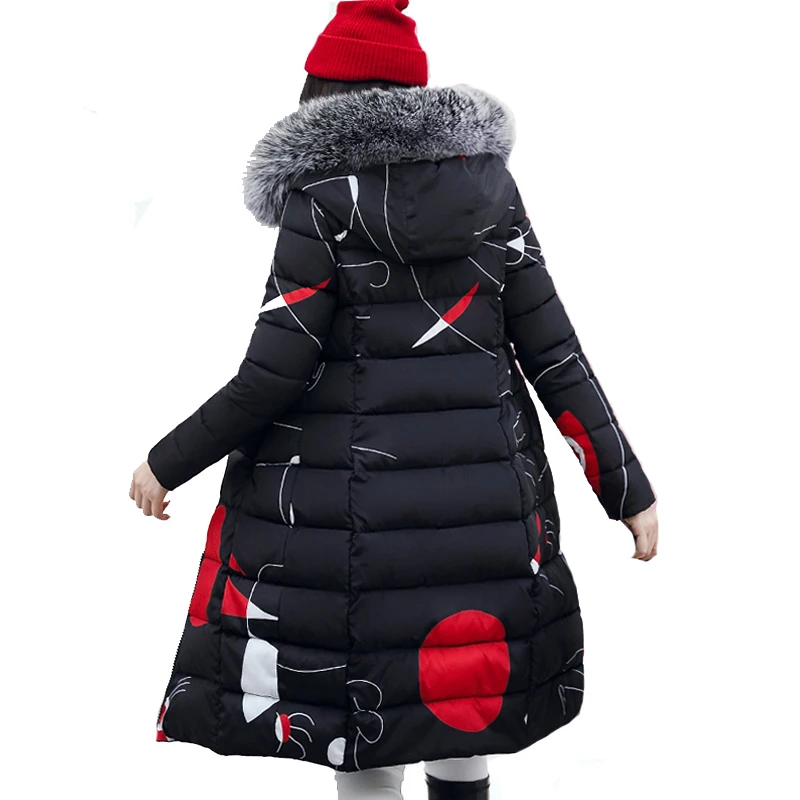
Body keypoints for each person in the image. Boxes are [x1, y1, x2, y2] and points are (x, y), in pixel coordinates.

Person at [129, 2, 659, 798]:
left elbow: (274, 373)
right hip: (487, 517)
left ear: (324, 97)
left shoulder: (321, 199)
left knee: (371, 740)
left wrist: (166, 462)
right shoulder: (491, 191)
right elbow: (554, 353)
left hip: (359, 533)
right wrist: (628, 490)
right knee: (464, 712)